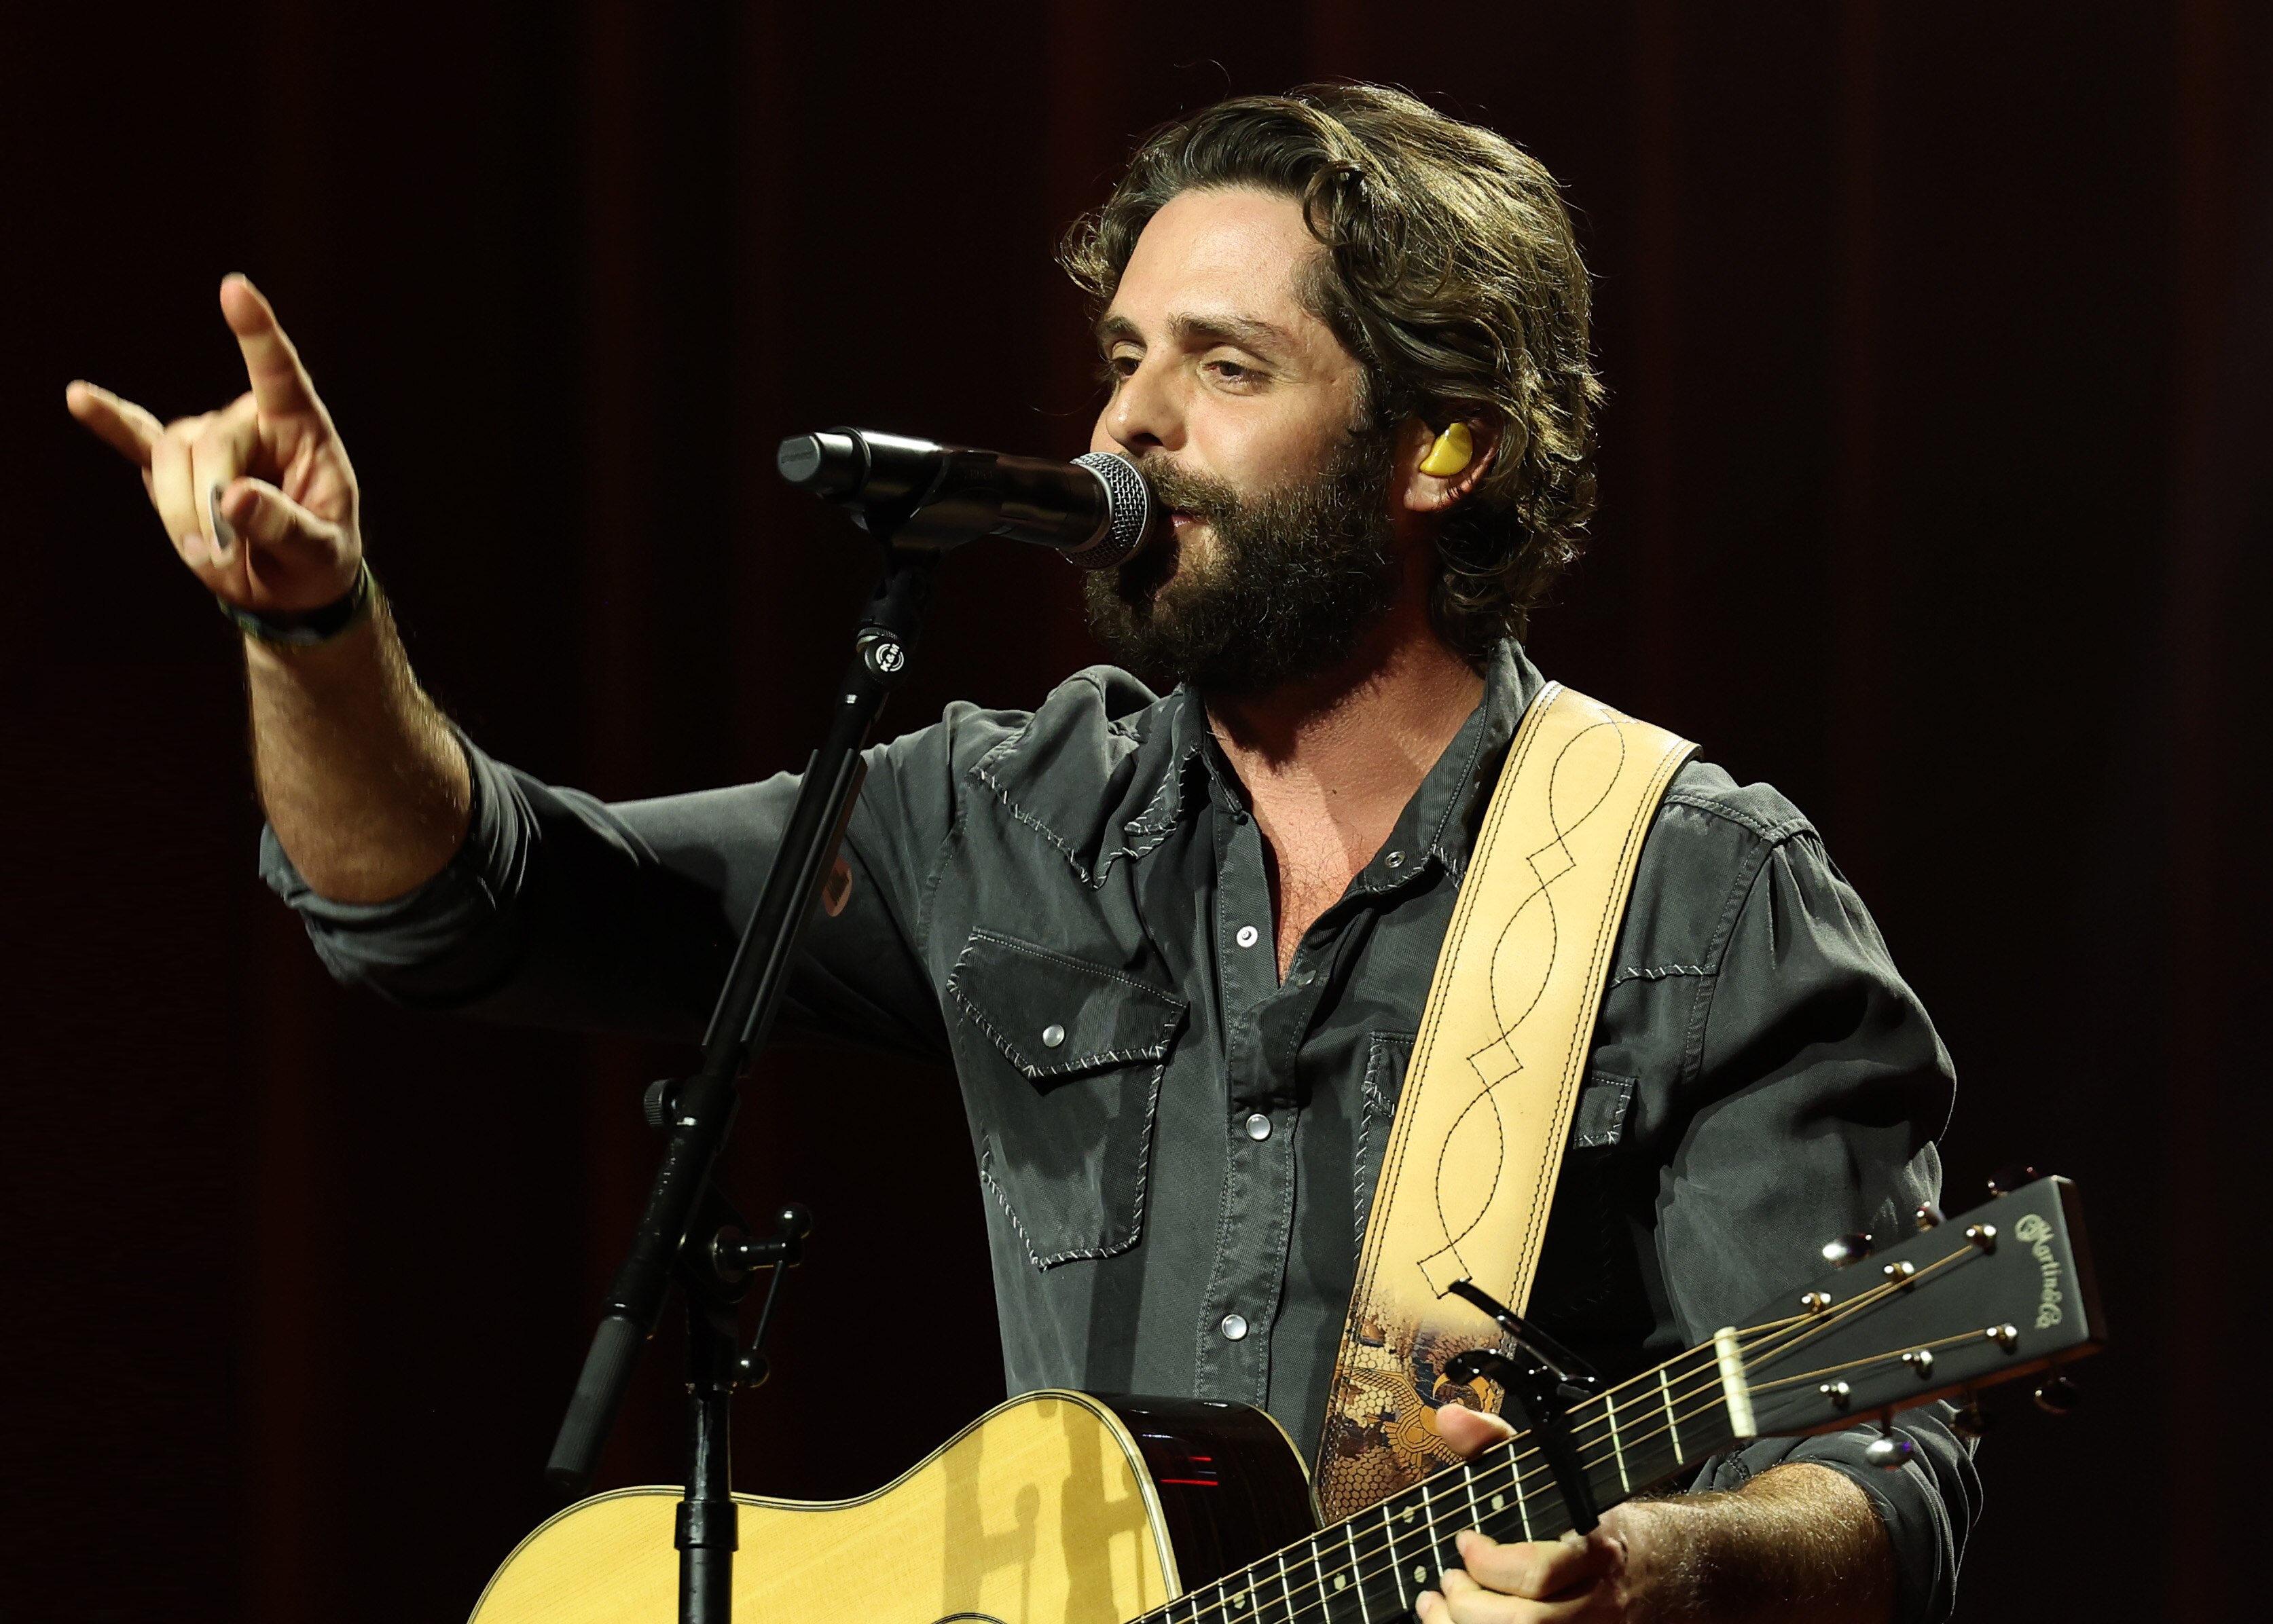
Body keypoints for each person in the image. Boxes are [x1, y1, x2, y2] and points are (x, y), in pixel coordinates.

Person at [68, 86, 1974, 1624]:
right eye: (1124, 357)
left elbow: (1872, 1463)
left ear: (1441, 451)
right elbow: (456, 908)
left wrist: (1667, 1571)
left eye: (1222, 369)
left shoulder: (1685, 885)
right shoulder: (1002, 816)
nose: (1123, 426)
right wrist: (310, 627)